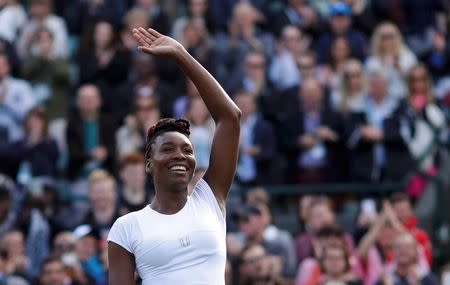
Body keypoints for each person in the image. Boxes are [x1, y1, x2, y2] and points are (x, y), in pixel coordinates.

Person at [107, 27, 241, 285]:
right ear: (149, 163)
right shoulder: (127, 227)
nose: (180, 156)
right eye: (167, 149)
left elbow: (230, 117)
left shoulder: (209, 199)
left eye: (187, 150)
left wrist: (181, 54)